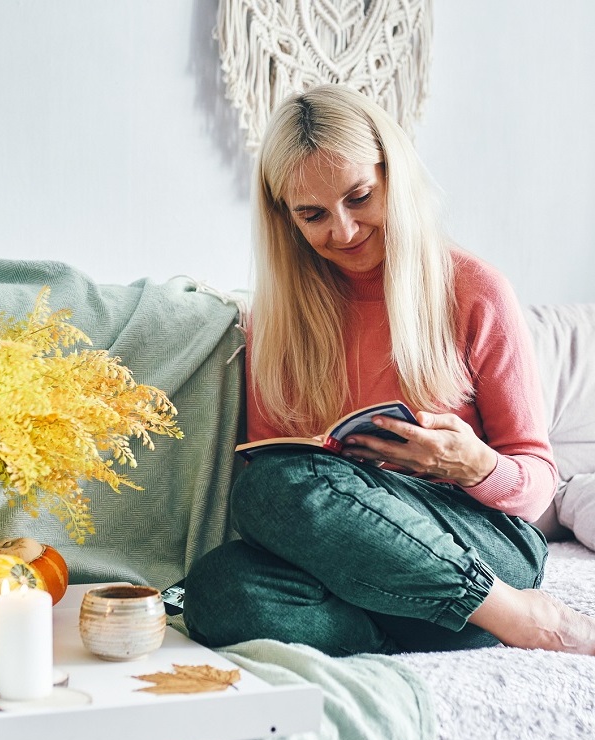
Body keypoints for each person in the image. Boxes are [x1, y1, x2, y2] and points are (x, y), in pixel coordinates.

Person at [183, 84, 595, 657]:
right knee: (218, 587)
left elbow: (536, 486)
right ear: (285, 218)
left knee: (274, 486)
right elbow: (282, 483)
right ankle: (441, 621)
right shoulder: (277, 319)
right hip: (358, 549)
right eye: (313, 214)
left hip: (484, 542)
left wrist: (474, 466)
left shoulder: (475, 292)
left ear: (391, 175)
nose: (344, 230)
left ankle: (521, 616)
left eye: (360, 197)